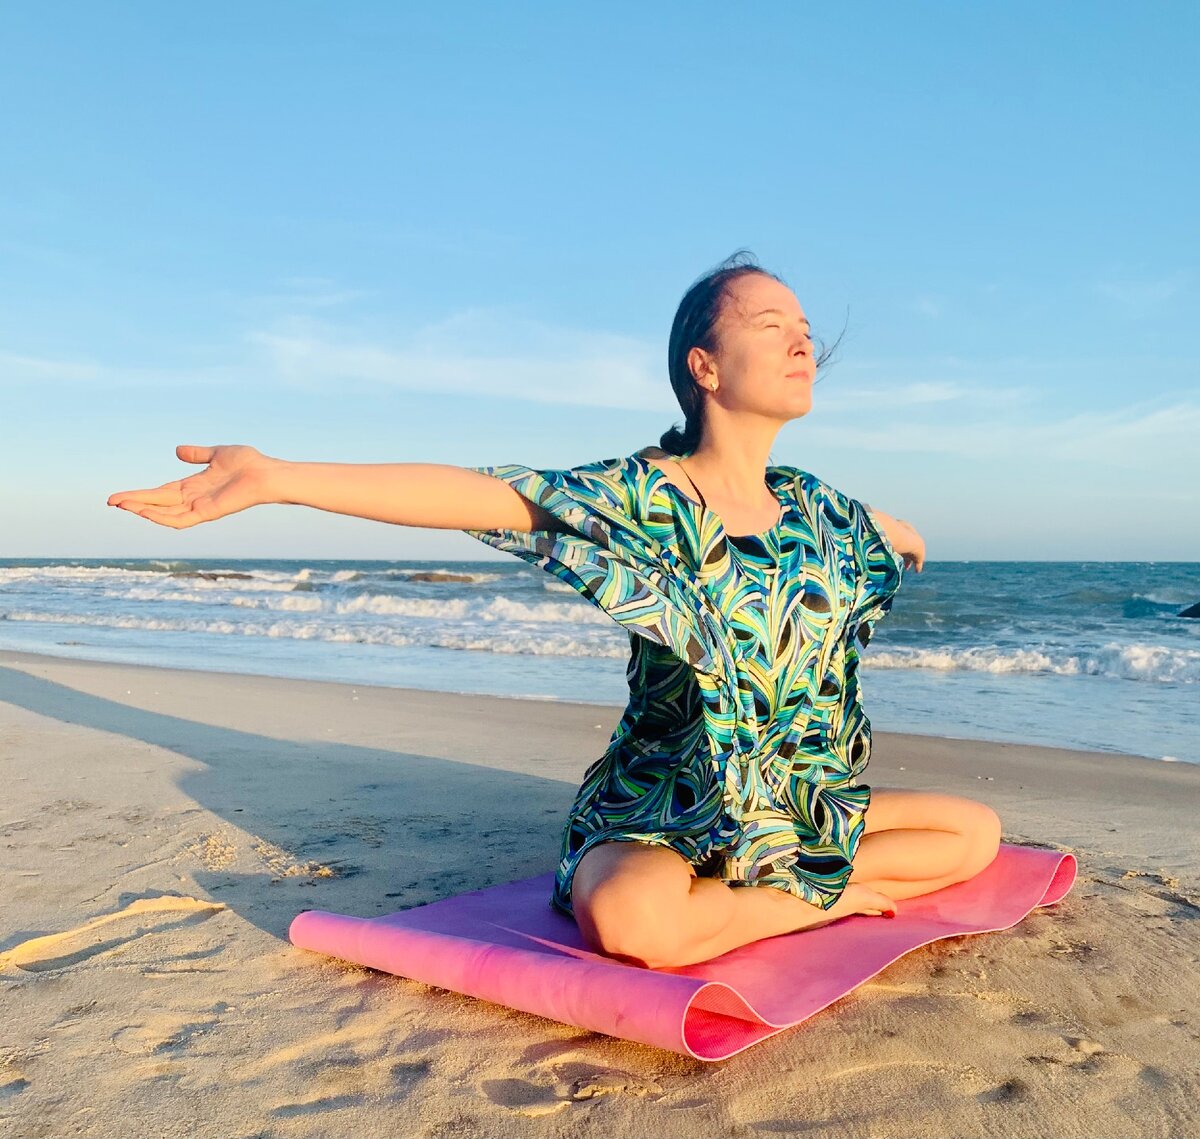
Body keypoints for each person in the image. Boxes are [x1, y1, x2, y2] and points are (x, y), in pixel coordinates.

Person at [106, 251, 1002, 970]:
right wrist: (278, 477)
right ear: (704, 366)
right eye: (772, 326)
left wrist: (891, 527)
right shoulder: (648, 496)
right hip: (664, 805)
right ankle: (811, 902)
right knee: (631, 923)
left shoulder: (819, 509)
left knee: (975, 833)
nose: (803, 342)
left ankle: (772, 889)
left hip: (786, 802)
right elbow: (483, 493)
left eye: (806, 331)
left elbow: (873, 527)